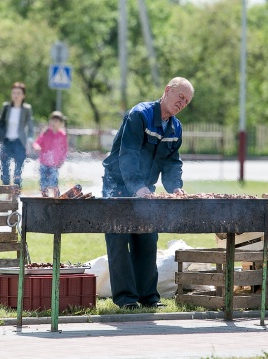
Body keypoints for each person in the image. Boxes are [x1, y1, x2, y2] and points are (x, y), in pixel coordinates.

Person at [101, 76, 194, 309]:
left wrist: (175, 187)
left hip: (146, 190)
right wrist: (137, 187)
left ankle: (149, 297)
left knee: (148, 240)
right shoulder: (139, 115)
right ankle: (126, 299)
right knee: (120, 241)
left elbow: (172, 163)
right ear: (167, 90)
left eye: (187, 101)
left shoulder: (176, 127)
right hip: (118, 187)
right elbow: (128, 155)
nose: (182, 103)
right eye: (180, 96)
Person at [0, 82, 34, 188]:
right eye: (14, 93)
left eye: (18, 93)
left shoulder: (26, 109)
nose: (16, 95)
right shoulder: (6, 107)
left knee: (17, 172)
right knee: (5, 169)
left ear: (23, 95)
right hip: (6, 141)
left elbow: (30, 127)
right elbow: (0, 123)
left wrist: (29, 141)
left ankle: (15, 195)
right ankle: (6, 193)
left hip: (20, 142)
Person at [32, 111, 68, 197]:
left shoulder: (62, 135)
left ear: (60, 123)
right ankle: (44, 197)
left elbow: (65, 149)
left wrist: (62, 160)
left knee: (53, 182)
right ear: (49, 122)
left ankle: (57, 197)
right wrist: (37, 147)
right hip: (43, 162)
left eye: (56, 121)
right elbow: (37, 142)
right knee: (43, 183)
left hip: (54, 164)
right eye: (52, 121)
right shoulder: (46, 133)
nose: (54, 123)